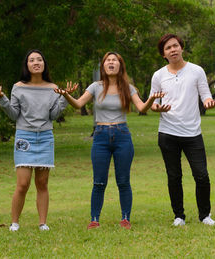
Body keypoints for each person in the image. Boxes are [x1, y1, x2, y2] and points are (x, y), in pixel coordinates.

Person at [54, 52, 164, 229]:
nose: (111, 63)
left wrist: (152, 98)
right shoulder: (95, 86)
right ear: (103, 66)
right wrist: (66, 95)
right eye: (108, 60)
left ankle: (125, 218)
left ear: (120, 66)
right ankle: (94, 220)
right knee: (99, 181)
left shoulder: (128, 88)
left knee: (123, 181)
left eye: (115, 60)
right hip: (101, 136)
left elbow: (142, 107)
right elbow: (78, 104)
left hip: (122, 136)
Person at [0, 50, 68, 231]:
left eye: (39, 59)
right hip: (25, 137)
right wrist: (3, 99)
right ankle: (14, 223)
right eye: (31, 60)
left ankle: (42, 223)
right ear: (27, 65)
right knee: (23, 184)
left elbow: (53, 115)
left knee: (42, 183)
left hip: (45, 137)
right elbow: (14, 114)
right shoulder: (18, 87)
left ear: (44, 64)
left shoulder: (52, 88)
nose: (36, 62)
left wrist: (63, 98)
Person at [150, 34, 215, 226]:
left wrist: (209, 101)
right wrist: (158, 108)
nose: (173, 50)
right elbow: (153, 103)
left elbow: (205, 96)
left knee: (202, 175)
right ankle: (178, 216)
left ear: (181, 48)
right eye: (168, 48)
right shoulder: (158, 75)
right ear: (163, 54)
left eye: (175, 46)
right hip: (167, 132)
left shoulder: (196, 71)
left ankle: (205, 215)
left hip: (192, 133)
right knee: (174, 176)